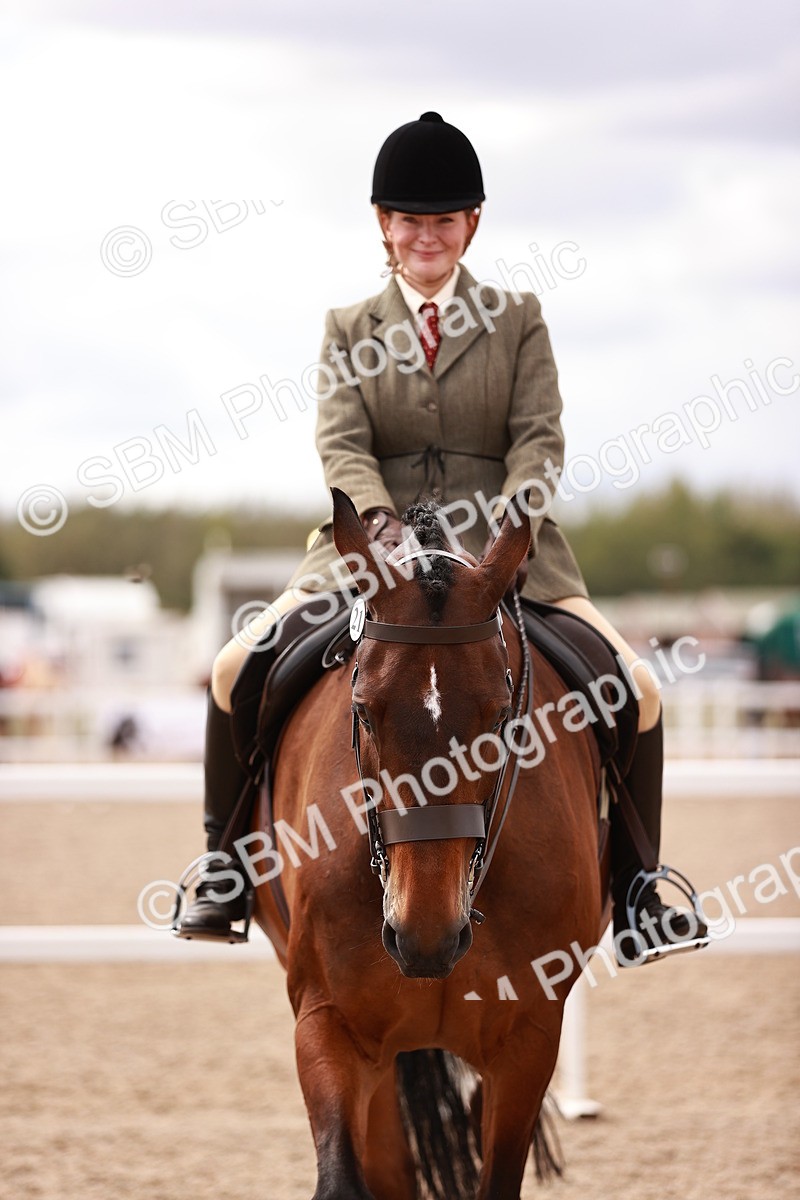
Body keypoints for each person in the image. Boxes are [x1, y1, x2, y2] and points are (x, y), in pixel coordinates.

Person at [178, 112, 708, 964]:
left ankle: (640, 885)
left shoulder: (518, 318)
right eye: (411, 221)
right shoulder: (349, 326)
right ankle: (224, 867)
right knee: (233, 669)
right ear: (384, 228)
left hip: (504, 556)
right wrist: (377, 521)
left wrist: (512, 524)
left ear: (472, 224)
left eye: (444, 220)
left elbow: (540, 437)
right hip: (366, 549)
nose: (428, 236)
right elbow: (342, 443)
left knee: (637, 689)